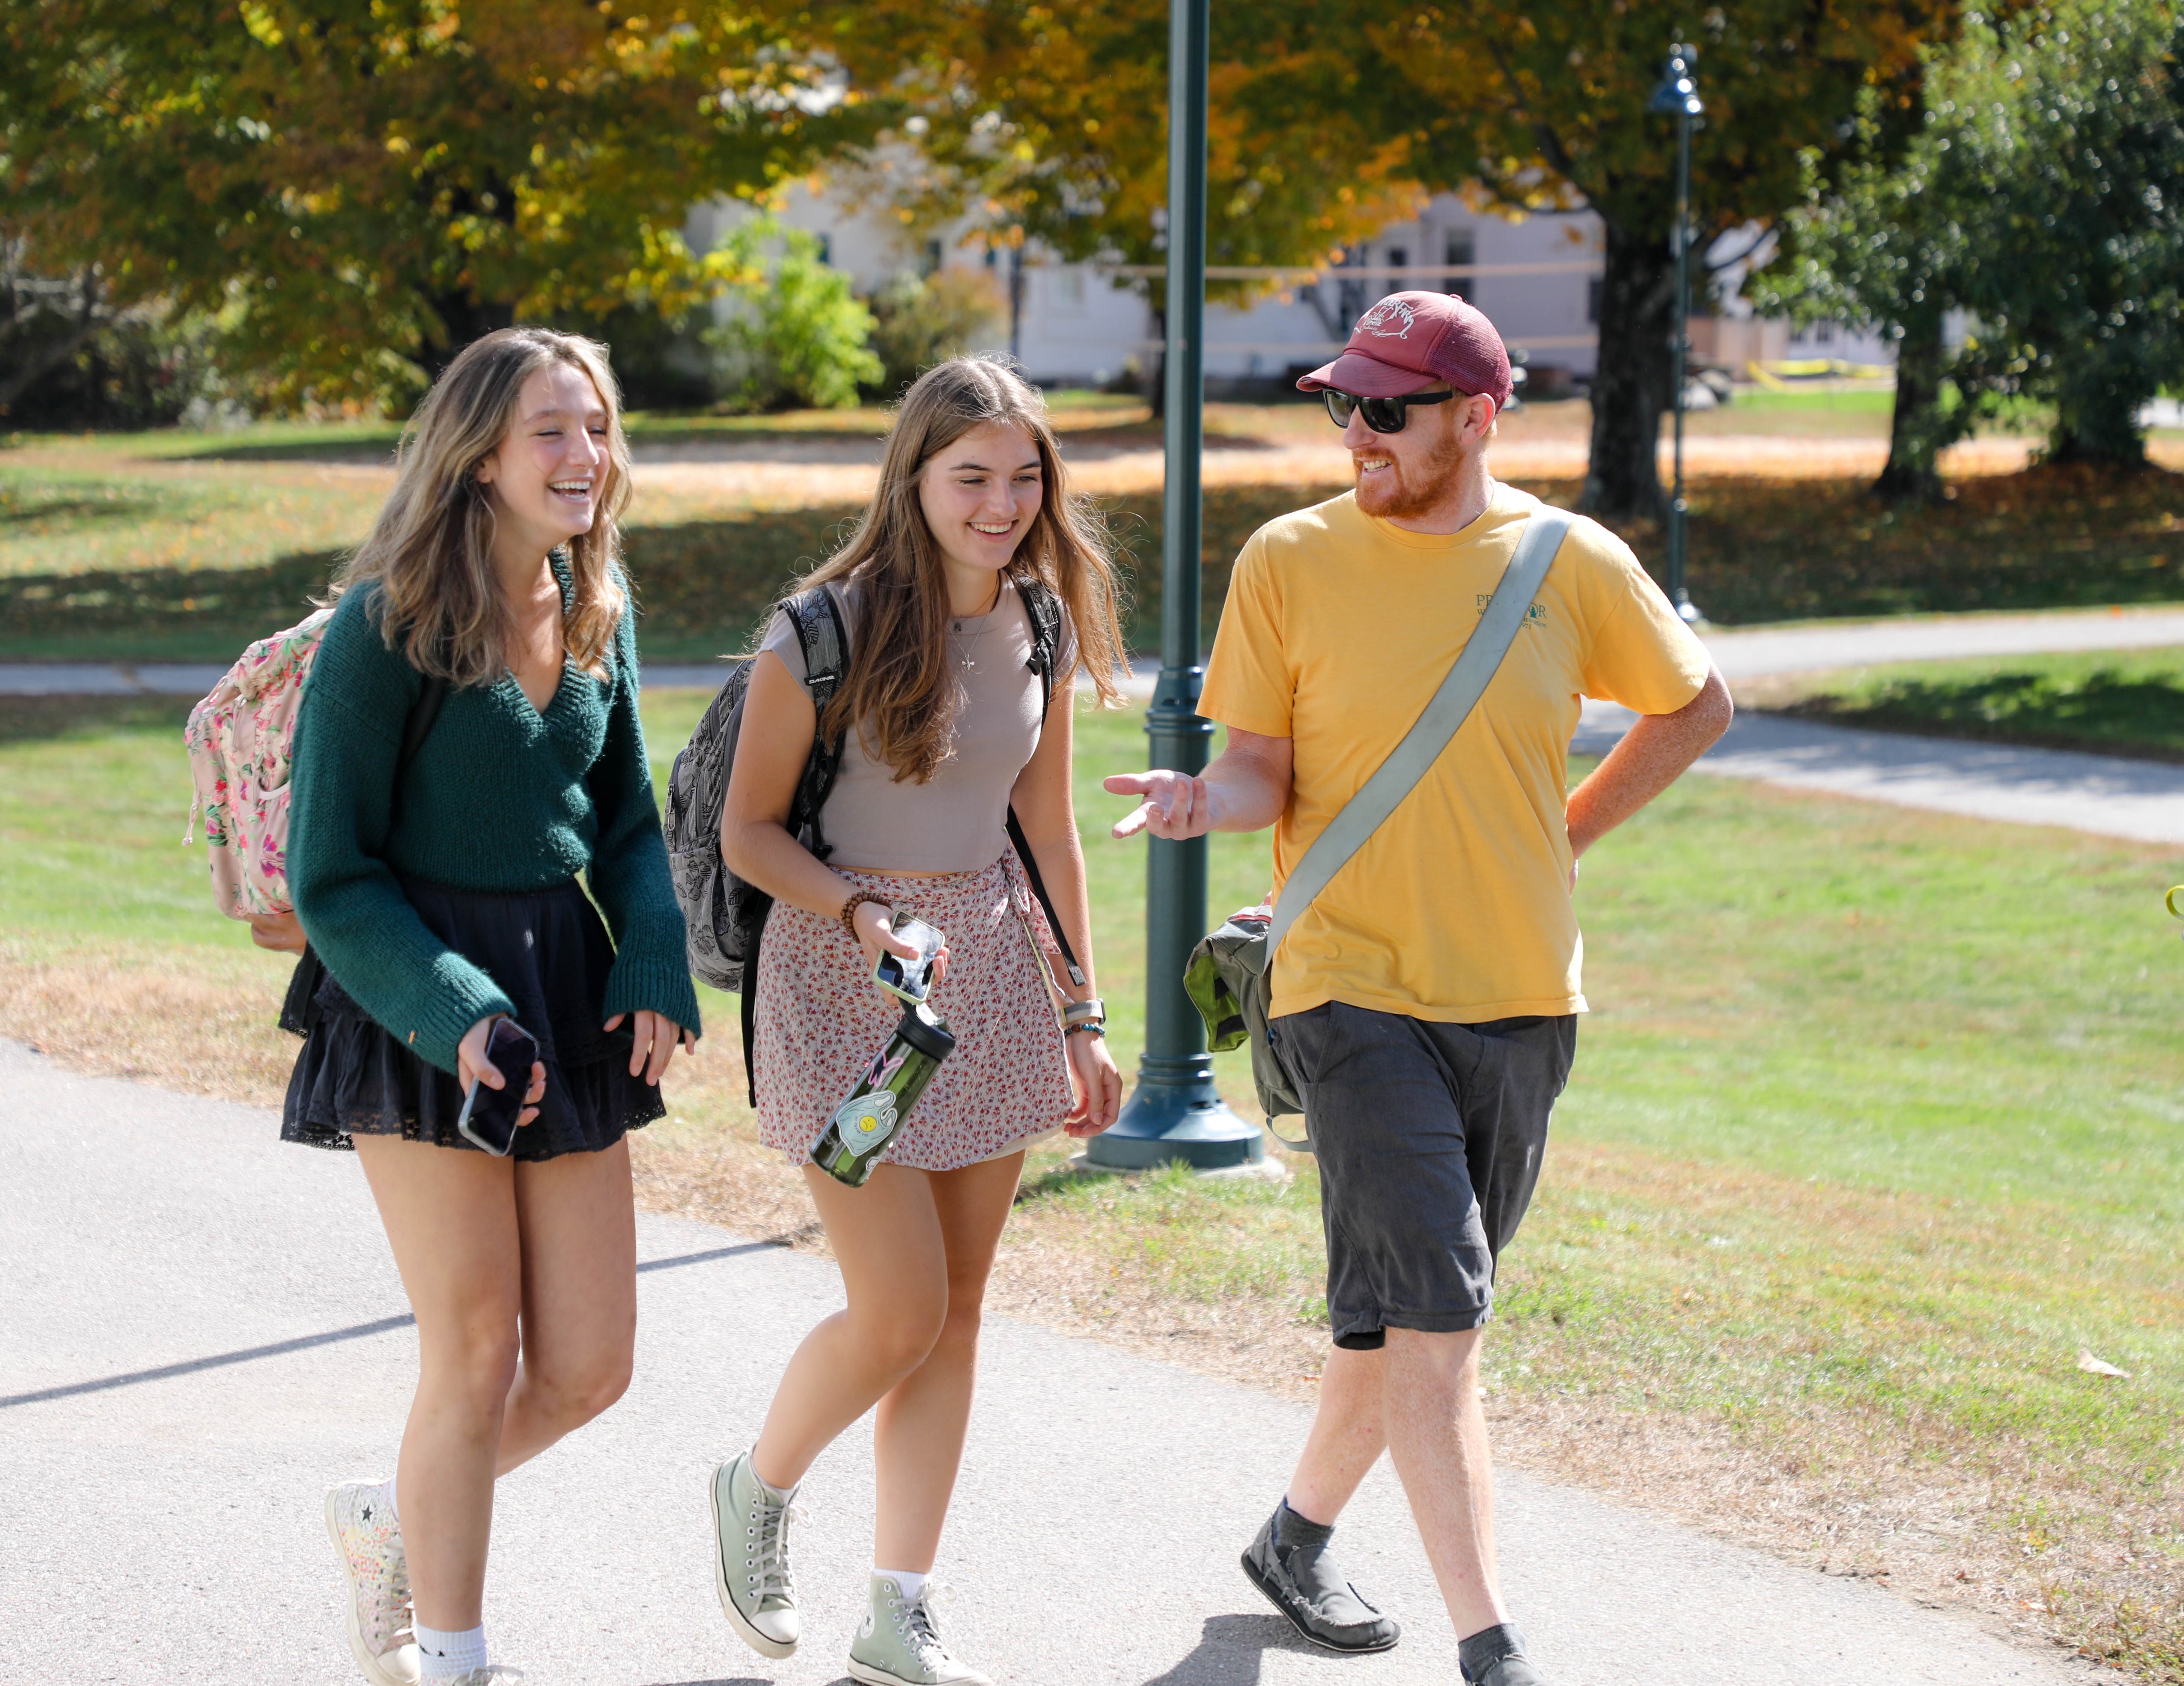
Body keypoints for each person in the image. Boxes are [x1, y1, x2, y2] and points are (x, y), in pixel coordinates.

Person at [1106, 293, 1733, 1686]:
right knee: (1441, 1319)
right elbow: (1262, 770)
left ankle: (1290, 1540)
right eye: (1343, 404)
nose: (1356, 434)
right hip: (1344, 989)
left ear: (1473, 416)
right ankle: (1488, 1646)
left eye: (1385, 409)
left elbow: (1692, 706)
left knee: (1400, 1317)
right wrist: (1201, 797)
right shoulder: (1287, 560)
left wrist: (1559, 831)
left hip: (1517, 998)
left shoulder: (1568, 563)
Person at [278, 327, 701, 1686]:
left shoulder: (599, 601)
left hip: (564, 995)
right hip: (414, 998)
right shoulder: (384, 625)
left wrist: (648, 954)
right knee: (473, 1348)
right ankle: (447, 1656)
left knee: (586, 1368)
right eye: (551, 432)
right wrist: (455, 1009)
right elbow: (329, 877)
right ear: (475, 455)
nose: (585, 456)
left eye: (596, 428)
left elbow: (631, 822)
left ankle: (392, 1516)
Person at [710, 356, 1130, 1686]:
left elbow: (1052, 834)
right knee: (896, 1312)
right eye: (972, 478)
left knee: (957, 1316)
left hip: (995, 979)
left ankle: (901, 1605)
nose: (1002, 503)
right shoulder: (820, 630)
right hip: (844, 987)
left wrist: (1084, 1012)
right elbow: (749, 830)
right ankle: (756, 1484)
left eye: (1024, 477)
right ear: (916, 478)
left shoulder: (1045, 623)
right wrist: (860, 917)